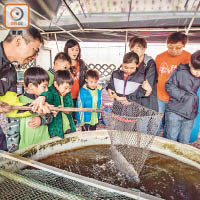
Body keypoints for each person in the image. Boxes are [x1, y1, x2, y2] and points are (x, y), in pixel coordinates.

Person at [0, 27, 50, 151]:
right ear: (18, 41)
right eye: (35, 50)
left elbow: (13, 107)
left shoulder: (11, 72)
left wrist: (38, 109)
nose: (34, 57)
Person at [155, 32, 191, 136]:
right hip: (160, 97)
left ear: (184, 45)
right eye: (170, 47)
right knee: (156, 122)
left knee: (171, 125)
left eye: (178, 47)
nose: (173, 50)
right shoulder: (159, 57)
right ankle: (153, 143)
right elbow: (156, 76)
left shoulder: (189, 58)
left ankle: (167, 146)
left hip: (177, 100)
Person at [165, 50, 200, 144]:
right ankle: (169, 158)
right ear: (190, 64)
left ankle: (178, 158)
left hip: (190, 114)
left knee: (184, 139)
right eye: (195, 69)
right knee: (171, 137)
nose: (198, 73)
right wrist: (184, 96)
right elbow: (169, 85)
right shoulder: (180, 72)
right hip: (175, 111)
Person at [19, 67, 53, 149]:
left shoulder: (44, 101)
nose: (47, 89)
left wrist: (41, 120)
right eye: (44, 87)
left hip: (45, 143)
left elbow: (51, 117)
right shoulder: (19, 101)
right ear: (31, 86)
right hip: (26, 147)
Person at [40, 70, 76, 138]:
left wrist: (62, 109)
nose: (68, 90)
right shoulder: (50, 91)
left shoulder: (68, 94)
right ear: (56, 84)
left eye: (69, 88)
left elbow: (70, 110)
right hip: (55, 130)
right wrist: (42, 97)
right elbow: (46, 94)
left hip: (68, 127)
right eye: (65, 88)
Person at [129, 36, 158, 111]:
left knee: (141, 122)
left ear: (144, 48)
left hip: (145, 102)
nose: (134, 50)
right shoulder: (128, 61)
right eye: (132, 47)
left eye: (138, 48)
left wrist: (128, 96)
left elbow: (146, 88)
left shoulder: (150, 64)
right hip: (131, 102)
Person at [64, 39, 87, 121]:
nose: (75, 52)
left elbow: (86, 79)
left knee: (78, 119)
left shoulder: (81, 63)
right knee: (68, 119)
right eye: (72, 49)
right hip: (66, 96)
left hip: (79, 97)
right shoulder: (64, 63)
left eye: (77, 50)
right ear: (67, 50)